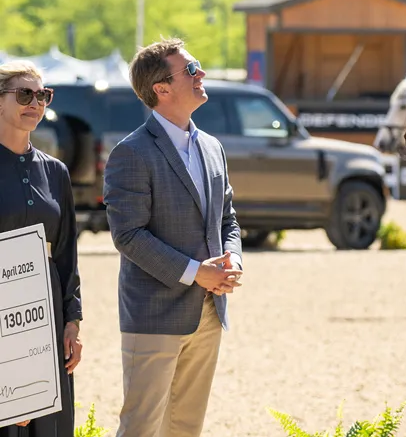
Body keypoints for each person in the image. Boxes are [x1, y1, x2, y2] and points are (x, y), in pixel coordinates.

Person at [104, 38, 243, 437]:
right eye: (191, 68)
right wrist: (195, 272)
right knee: (140, 429)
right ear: (161, 89)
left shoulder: (213, 148)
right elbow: (128, 236)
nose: (201, 74)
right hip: (153, 315)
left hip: (210, 313)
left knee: (186, 429)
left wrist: (232, 259)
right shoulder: (130, 153)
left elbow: (228, 220)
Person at [0, 61, 82, 435]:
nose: (35, 103)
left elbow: (66, 252)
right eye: (24, 94)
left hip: (45, 310)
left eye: (42, 95)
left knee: (49, 423)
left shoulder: (55, 172)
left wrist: (72, 320)